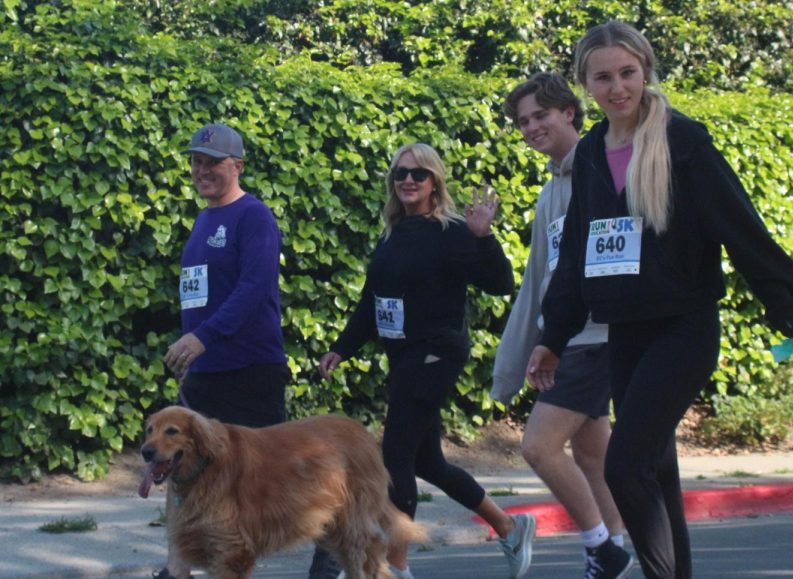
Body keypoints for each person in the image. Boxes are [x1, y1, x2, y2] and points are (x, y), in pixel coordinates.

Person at [526, 22, 793, 579]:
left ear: (645, 72)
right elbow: (575, 259)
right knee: (657, 471)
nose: (617, 88)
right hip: (627, 333)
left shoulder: (683, 141)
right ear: (584, 87)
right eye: (603, 78)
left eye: (628, 73)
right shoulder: (591, 153)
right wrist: (552, 339)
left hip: (683, 329)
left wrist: (790, 316)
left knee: (626, 465)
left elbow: (743, 230)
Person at [318, 143, 536, 579]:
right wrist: (342, 347)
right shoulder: (393, 232)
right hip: (404, 355)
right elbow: (371, 302)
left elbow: (498, 283)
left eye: (418, 173)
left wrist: (484, 237)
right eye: (400, 173)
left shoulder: (452, 230)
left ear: (435, 181)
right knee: (426, 461)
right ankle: (509, 527)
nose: (408, 181)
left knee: (395, 454)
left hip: (436, 352)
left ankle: (395, 565)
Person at [492, 73, 634, 579]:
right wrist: (520, 354)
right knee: (592, 458)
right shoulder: (550, 191)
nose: (531, 127)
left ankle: (601, 546)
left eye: (541, 116)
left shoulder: (603, 168)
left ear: (570, 113)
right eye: (523, 121)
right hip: (569, 339)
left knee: (538, 446)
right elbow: (538, 281)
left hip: (598, 336)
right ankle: (616, 547)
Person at [155, 123, 293, 579]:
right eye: (196, 161)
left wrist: (203, 337)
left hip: (249, 369)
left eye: (213, 162)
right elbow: (201, 295)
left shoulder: (254, 216)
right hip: (206, 372)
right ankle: (176, 570)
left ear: (238, 165)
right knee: (184, 478)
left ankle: (335, 540)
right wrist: (190, 347)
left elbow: (254, 288)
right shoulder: (203, 220)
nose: (202, 170)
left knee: (267, 486)